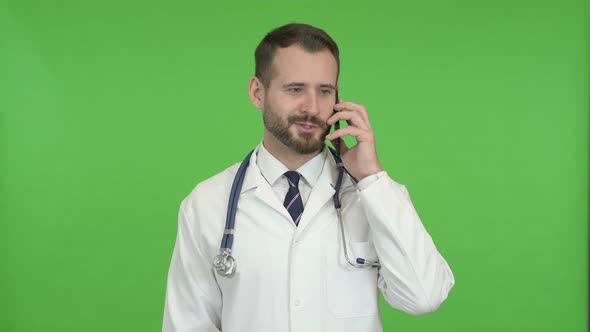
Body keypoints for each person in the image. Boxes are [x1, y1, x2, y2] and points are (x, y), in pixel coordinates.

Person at [162, 23, 454, 332]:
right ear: (258, 93)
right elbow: (187, 325)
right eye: (295, 89)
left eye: (325, 91)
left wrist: (371, 177)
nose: (312, 108)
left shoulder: (373, 196)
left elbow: (424, 297)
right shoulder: (207, 203)